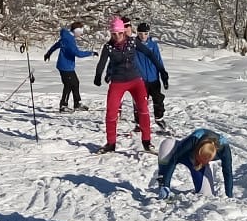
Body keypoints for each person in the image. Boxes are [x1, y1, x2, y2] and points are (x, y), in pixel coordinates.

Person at [93, 17, 168, 154]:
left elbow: (150, 55)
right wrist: (98, 75)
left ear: (123, 32)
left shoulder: (132, 42)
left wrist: (162, 71)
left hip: (135, 81)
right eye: (114, 34)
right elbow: (102, 63)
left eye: (120, 33)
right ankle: (111, 143)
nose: (117, 37)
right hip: (118, 82)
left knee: (143, 110)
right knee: (111, 112)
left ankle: (146, 141)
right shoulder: (108, 47)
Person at [153, 128, 233, 199]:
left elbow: (228, 172)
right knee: (167, 144)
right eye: (199, 158)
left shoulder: (224, 149)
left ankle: (200, 166)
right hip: (180, 152)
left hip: (195, 163)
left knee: (206, 195)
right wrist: (166, 184)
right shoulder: (194, 139)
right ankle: (162, 181)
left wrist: (229, 195)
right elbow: (174, 159)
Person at [43, 21, 94, 111]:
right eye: (80, 32)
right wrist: (91, 53)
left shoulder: (66, 37)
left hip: (66, 66)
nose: (81, 34)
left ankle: (77, 103)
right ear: (76, 31)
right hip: (65, 66)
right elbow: (78, 53)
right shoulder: (69, 40)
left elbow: (56, 45)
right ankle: (63, 105)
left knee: (75, 83)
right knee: (68, 85)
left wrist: (48, 53)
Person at [135, 22, 168, 128]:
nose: (143, 36)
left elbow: (158, 60)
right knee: (140, 101)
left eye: (145, 33)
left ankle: (159, 118)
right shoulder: (134, 45)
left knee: (158, 98)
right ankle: (139, 122)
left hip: (154, 77)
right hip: (141, 79)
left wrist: (163, 73)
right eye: (140, 34)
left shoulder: (153, 45)